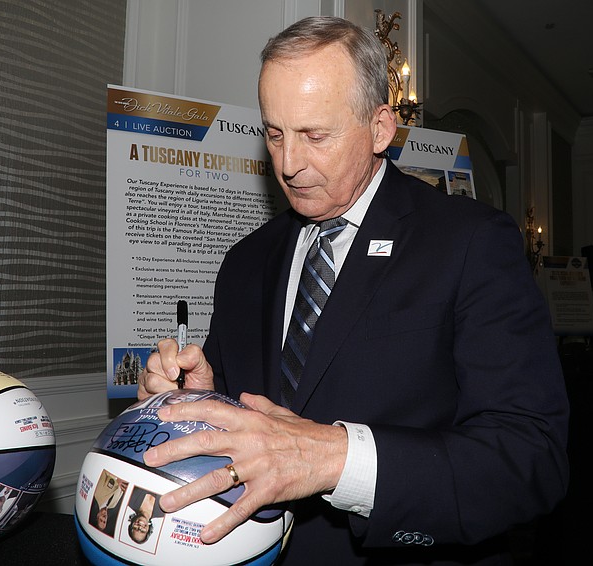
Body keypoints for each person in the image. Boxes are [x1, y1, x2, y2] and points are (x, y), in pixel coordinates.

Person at [138, 16, 569, 565]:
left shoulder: (470, 242)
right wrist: (199, 398)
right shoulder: (245, 261)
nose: (289, 164)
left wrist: (334, 460)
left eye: (315, 135)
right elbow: (253, 422)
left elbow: (531, 459)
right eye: (274, 134)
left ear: (381, 128)